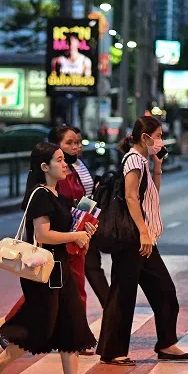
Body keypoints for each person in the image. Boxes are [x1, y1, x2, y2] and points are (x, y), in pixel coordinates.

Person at [0, 143, 100, 374]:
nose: (65, 164)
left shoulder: (60, 195)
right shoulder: (40, 196)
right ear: (45, 167)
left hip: (61, 268)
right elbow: (42, 235)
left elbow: (66, 232)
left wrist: (83, 233)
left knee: (71, 323)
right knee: (37, 328)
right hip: (43, 272)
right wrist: (75, 234)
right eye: (59, 160)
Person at [97, 116, 188, 365]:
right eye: (159, 135)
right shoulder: (133, 160)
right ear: (145, 137)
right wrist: (142, 231)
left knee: (163, 291)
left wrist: (158, 166)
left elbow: (151, 196)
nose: (160, 140)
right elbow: (131, 198)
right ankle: (113, 351)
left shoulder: (142, 161)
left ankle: (166, 344)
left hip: (143, 240)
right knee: (123, 293)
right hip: (134, 239)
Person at [72, 128, 110, 308]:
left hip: (85, 222)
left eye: (78, 142)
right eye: (70, 143)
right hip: (73, 227)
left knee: (93, 267)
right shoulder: (62, 166)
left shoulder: (79, 162)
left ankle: (111, 308)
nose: (76, 147)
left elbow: (84, 194)